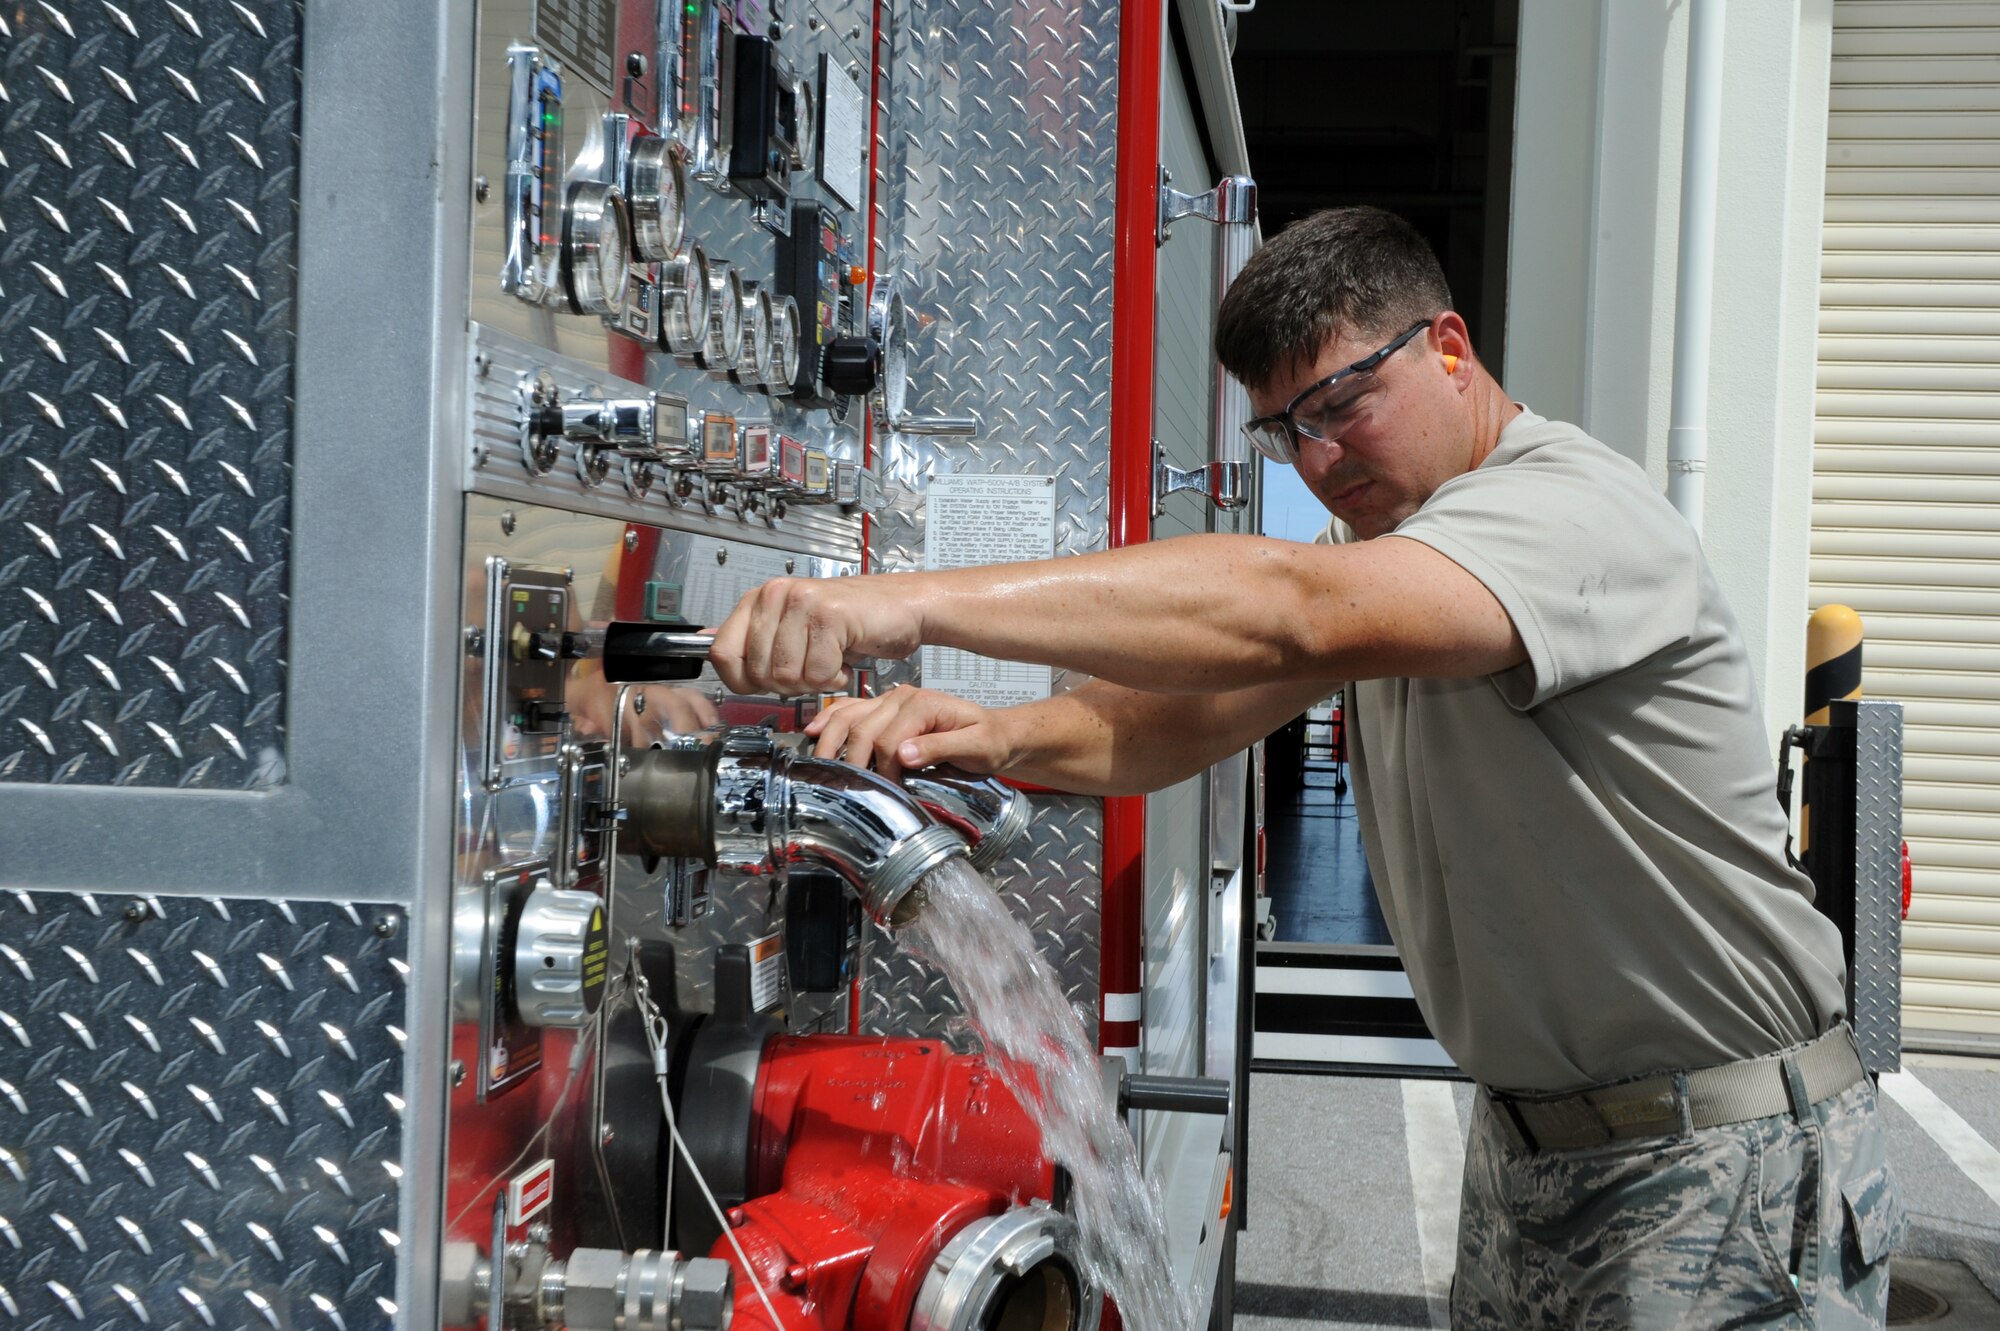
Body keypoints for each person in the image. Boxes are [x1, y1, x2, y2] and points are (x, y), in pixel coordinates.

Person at [707, 206, 1904, 1329]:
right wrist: (997, 736)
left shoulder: (1569, 510)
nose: (1318, 458)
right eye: (1287, 428)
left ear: (1448, 349)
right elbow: (1187, 712)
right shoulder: (1392, 545)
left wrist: (896, 605)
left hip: (1722, 1161)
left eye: (1341, 402)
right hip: (1539, 1150)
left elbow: (1288, 612)